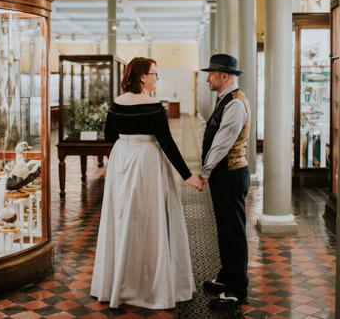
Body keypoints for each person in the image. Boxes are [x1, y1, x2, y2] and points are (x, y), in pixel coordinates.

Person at [90, 57, 203, 309]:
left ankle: (117, 282)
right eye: (154, 74)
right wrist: (188, 176)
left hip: (121, 161)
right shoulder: (153, 105)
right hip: (147, 162)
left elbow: (110, 136)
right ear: (142, 76)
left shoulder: (116, 104)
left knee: (122, 217)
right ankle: (150, 286)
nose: (156, 78)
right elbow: (166, 142)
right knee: (149, 220)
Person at [199, 53, 251, 309]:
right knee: (225, 229)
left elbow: (222, 143)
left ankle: (237, 289)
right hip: (224, 176)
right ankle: (226, 276)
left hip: (230, 175)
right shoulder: (225, 100)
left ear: (225, 76)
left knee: (234, 232)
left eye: (211, 73)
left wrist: (205, 172)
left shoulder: (236, 104)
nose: (207, 78)